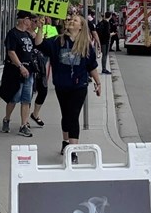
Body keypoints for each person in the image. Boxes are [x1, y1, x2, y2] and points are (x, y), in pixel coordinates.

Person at [35, 13, 102, 164]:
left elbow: (92, 67)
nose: (71, 21)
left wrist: (98, 83)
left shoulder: (85, 45)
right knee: (66, 115)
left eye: (75, 20)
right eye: (70, 20)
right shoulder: (58, 41)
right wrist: (39, 28)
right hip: (61, 86)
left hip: (79, 86)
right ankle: (65, 142)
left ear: (81, 27)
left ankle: (73, 151)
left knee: (73, 116)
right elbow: (39, 44)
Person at [0, 10, 36, 137]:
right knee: (14, 97)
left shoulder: (28, 34)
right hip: (16, 71)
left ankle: (24, 125)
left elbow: (38, 41)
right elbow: (11, 52)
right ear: (24, 20)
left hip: (28, 70)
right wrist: (20, 66)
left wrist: (38, 28)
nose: (31, 22)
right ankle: (7, 118)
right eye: (30, 19)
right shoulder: (12, 34)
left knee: (26, 99)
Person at [29, 16, 58, 127]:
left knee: (43, 90)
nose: (37, 22)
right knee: (28, 93)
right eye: (34, 20)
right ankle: (24, 119)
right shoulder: (26, 33)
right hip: (29, 65)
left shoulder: (50, 29)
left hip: (40, 63)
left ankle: (35, 114)